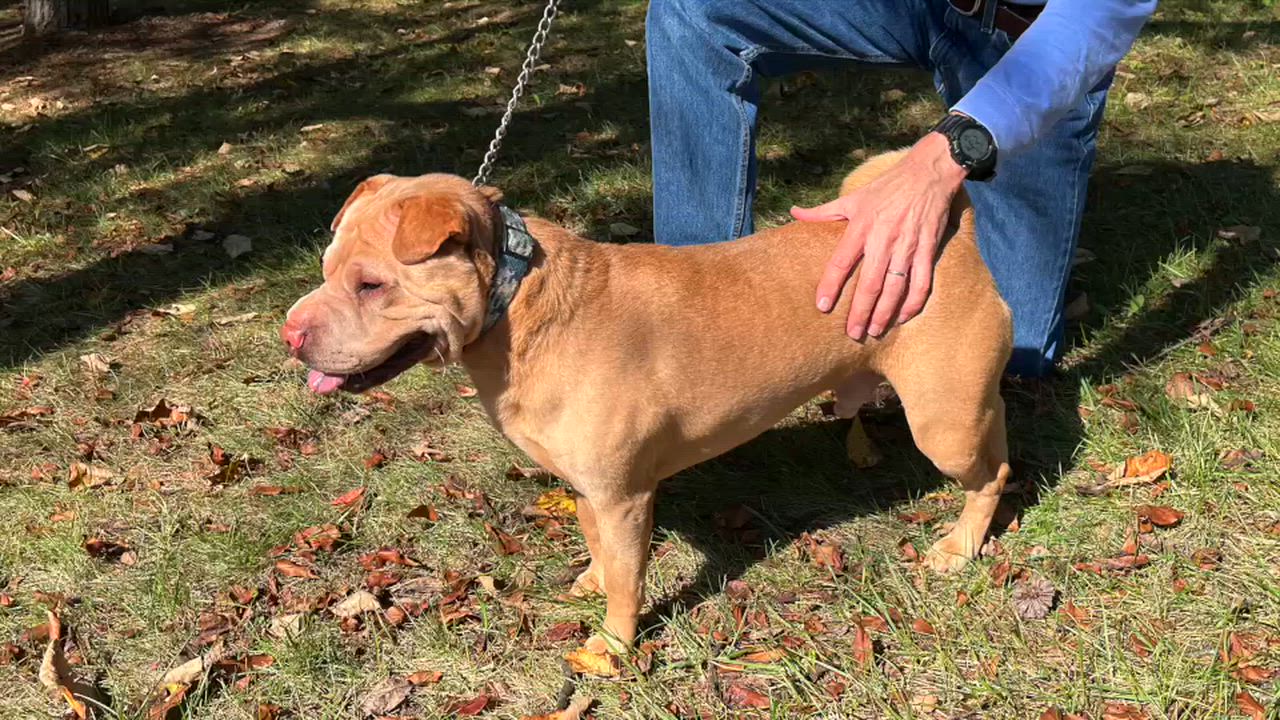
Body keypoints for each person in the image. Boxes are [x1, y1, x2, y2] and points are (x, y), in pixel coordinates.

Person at [646, 0, 1157, 377]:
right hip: (918, 8)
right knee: (690, 10)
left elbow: (1103, 11)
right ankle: (698, 323)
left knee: (1008, 357)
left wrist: (941, 161)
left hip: (1036, 40)